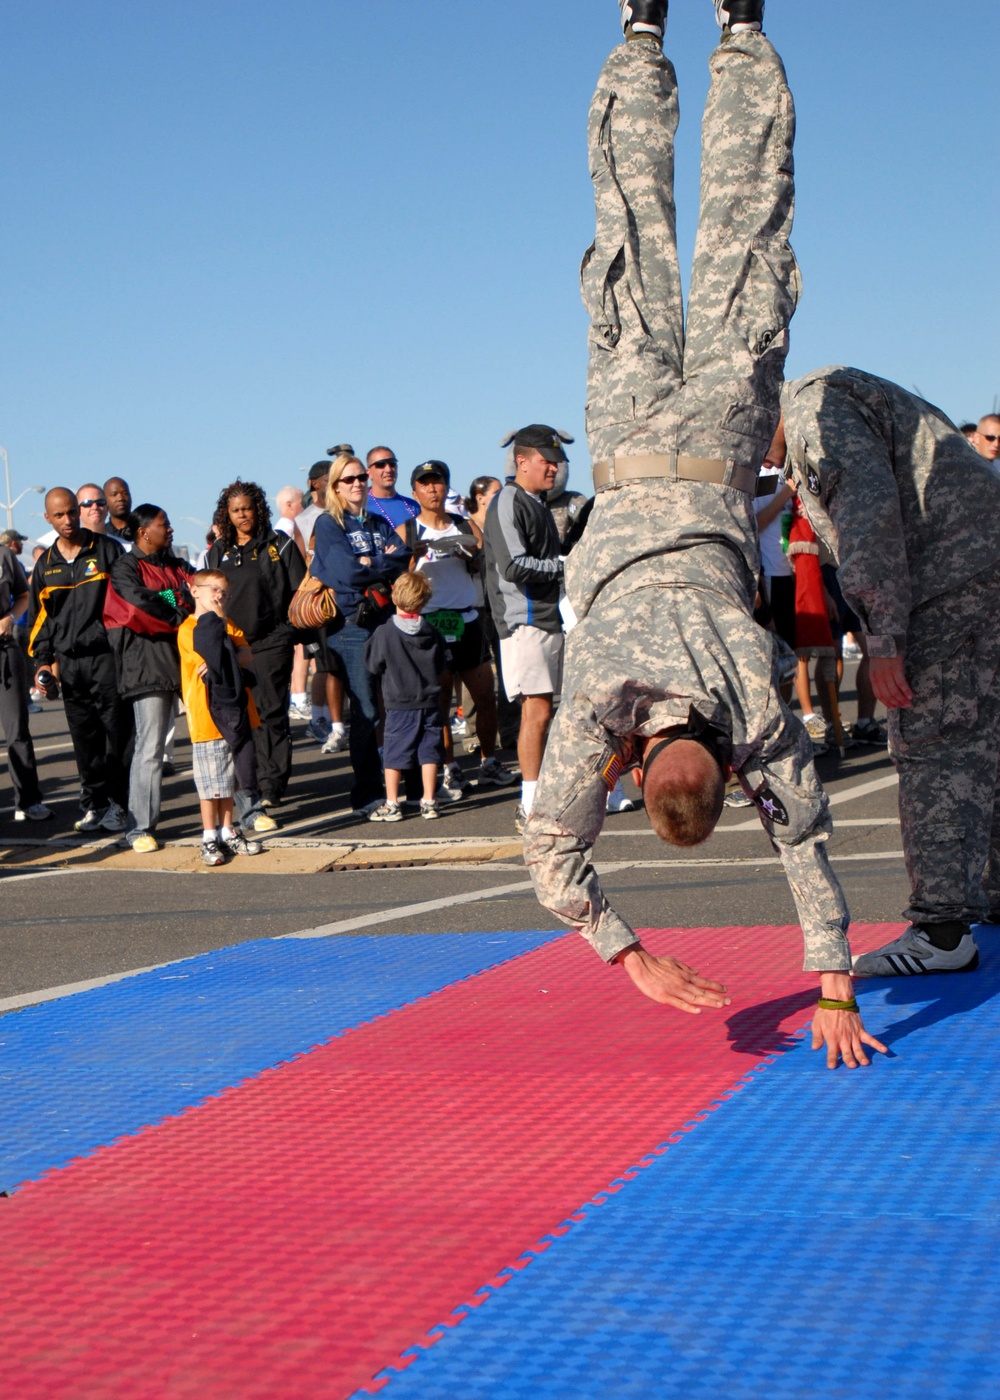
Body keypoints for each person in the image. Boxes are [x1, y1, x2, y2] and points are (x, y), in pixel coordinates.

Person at [522, 0, 887, 1071]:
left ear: (725, 773)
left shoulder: (753, 706)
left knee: (744, 235)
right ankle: (639, 32)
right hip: (630, 437)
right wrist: (623, 948)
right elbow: (552, 850)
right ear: (635, 775)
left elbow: (805, 835)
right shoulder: (597, 711)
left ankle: (738, 29)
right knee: (631, 237)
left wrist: (829, 980)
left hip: (722, 436)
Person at [774, 368, 1000, 977]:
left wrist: (884, 637)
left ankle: (943, 929)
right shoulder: (830, 396)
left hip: (949, 581)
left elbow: (868, 517)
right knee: (985, 738)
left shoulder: (812, 412)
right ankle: (991, 893)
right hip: (980, 566)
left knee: (931, 744)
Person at [403, 461, 516, 796]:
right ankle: (449, 767)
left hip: (467, 618)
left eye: (438, 482)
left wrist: (472, 556)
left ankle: (489, 760)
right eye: (425, 484)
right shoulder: (409, 530)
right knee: (439, 700)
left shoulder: (463, 524)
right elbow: (399, 578)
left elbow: (484, 561)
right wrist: (414, 557)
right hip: (431, 621)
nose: (433, 489)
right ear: (416, 493)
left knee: (485, 694)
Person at [311, 453, 409, 815]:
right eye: (348, 479)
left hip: (384, 618)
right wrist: (374, 564)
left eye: (361, 479)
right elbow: (347, 572)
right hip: (351, 625)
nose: (357, 484)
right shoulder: (328, 524)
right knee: (366, 711)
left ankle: (401, 782)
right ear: (335, 486)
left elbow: (403, 556)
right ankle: (366, 793)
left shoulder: (375, 520)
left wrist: (374, 563)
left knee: (396, 702)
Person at [28, 488, 129, 833]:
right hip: (70, 666)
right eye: (60, 515)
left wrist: (172, 595)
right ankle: (94, 805)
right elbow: (40, 620)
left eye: (72, 512)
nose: (68, 520)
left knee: (117, 736)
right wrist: (43, 663)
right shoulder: (45, 565)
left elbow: (136, 591)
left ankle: (120, 805)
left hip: (107, 659)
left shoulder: (108, 550)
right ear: (48, 519)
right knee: (85, 741)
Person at [483, 426, 566, 833]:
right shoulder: (508, 500)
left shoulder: (537, 501)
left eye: (556, 461)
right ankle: (529, 804)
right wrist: (565, 566)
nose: (555, 468)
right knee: (537, 712)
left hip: (550, 616)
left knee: (550, 712)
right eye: (546, 460)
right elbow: (513, 566)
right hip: (525, 620)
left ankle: (544, 796)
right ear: (522, 462)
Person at [206, 479, 306, 808]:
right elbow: (201, 595)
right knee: (239, 718)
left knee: (271, 714)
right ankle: (248, 783)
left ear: (258, 508)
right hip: (231, 646)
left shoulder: (279, 544)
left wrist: (289, 632)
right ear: (227, 515)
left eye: (247, 508)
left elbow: (299, 592)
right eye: (235, 511)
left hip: (271, 642)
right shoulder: (218, 552)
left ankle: (271, 785)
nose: (242, 515)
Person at [106, 505, 194, 853]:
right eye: (163, 525)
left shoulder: (176, 564)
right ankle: (139, 827)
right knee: (152, 746)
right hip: (147, 664)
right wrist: (176, 603)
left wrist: (177, 598)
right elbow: (136, 607)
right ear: (144, 531)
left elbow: (198, 590)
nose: (170, 529)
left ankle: (240, 812)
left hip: (185, 659)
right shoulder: (126, 567)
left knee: (217, 735)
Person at [178, 571, 265, 865]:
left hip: (235, 713)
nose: (219, 596)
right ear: (195, 591)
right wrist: (228, 654)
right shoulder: (189, 628)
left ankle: (229, 829)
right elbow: (209, 658)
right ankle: (209, 835)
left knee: (229, 782)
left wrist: (229, 651)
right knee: (209, 784)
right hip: (207, 717)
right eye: (213, 589)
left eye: (224, 592)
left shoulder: (228, 624)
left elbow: (244, 653)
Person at [364, 571, 448, 822]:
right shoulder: (431, 631)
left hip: (399, 703)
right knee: (429, 752)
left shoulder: (385, 632)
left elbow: (373, 664)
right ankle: (429, 800)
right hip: (430, 701)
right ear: (424, 601)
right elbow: (444, 661)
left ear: (394, 596)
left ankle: (392, 803)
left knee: (394, 754)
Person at [0, 537, 50, 822]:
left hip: (5, 652)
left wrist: (9, 617)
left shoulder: (5, 556)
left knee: (17, 729)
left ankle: (29, 801)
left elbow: (24, 595)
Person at [365, 447, 420, 529]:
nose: (388, 469)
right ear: (369, 473)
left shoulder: (413, 506)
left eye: (392, 464)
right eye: (381, 465)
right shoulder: (361, 507)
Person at [104, 478, 134, 543]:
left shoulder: (142, 531)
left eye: (125, 493)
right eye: (114, 494)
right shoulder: (102, 534)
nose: (120, 498)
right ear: (105, 501)